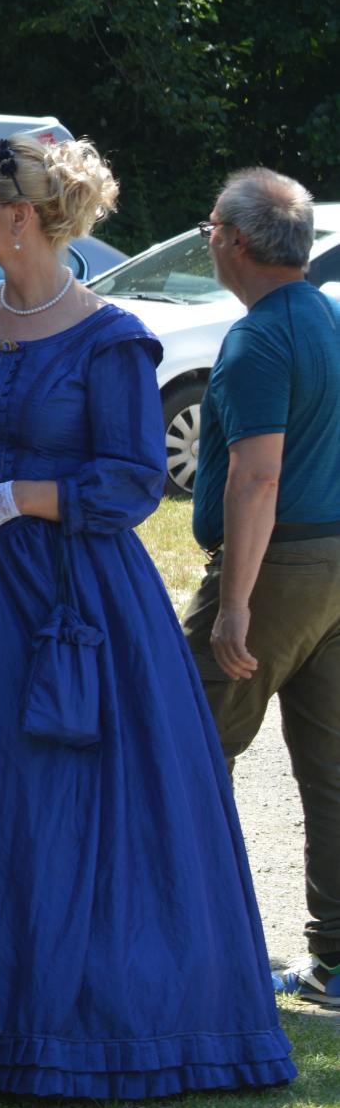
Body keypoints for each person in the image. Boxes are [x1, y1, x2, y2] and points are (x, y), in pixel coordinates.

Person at [0, 135, 292, 1098]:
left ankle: (71, 1022)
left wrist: (17, 497)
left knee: (65, 798)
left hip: (75, 598)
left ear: (20, 218)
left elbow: (135, 479)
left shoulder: (111, 338)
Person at [180, 170, 340, 1002]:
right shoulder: (329, 316)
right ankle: (335, 963)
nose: (207, 236)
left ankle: (195, 951)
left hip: (276, 568)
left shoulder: (260, 338)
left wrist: (235, 604)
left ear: (236, 241)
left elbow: (256, 479)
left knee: (186, 748)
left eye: (210, 223)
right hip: (334, 567)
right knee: (332, 769)